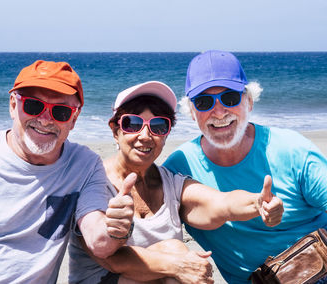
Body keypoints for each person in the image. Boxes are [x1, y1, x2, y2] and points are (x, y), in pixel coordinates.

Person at [0, 60, 135, 283]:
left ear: (74, 119)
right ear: (13, 106)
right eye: (33, 106)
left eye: (61, 112)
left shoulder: (84, 165)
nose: (45, 119)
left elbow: (99, 242)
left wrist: (118, 227)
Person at [68, 81, 284, 284]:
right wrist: (179, 264)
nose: (145, 135)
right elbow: (111, 259)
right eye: (132, 124)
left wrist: (258, 203)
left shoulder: (170, 183)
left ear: (166, 134)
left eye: (158, 126)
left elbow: (221, 203)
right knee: (176, 254)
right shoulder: (93, 183)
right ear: (116, 131)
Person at [163, 50, 327, 283]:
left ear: (249, 100)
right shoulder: (178, 169)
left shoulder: (292, 150)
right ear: (191, 111)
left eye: (230, 98)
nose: (219, 112)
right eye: (203, 102)